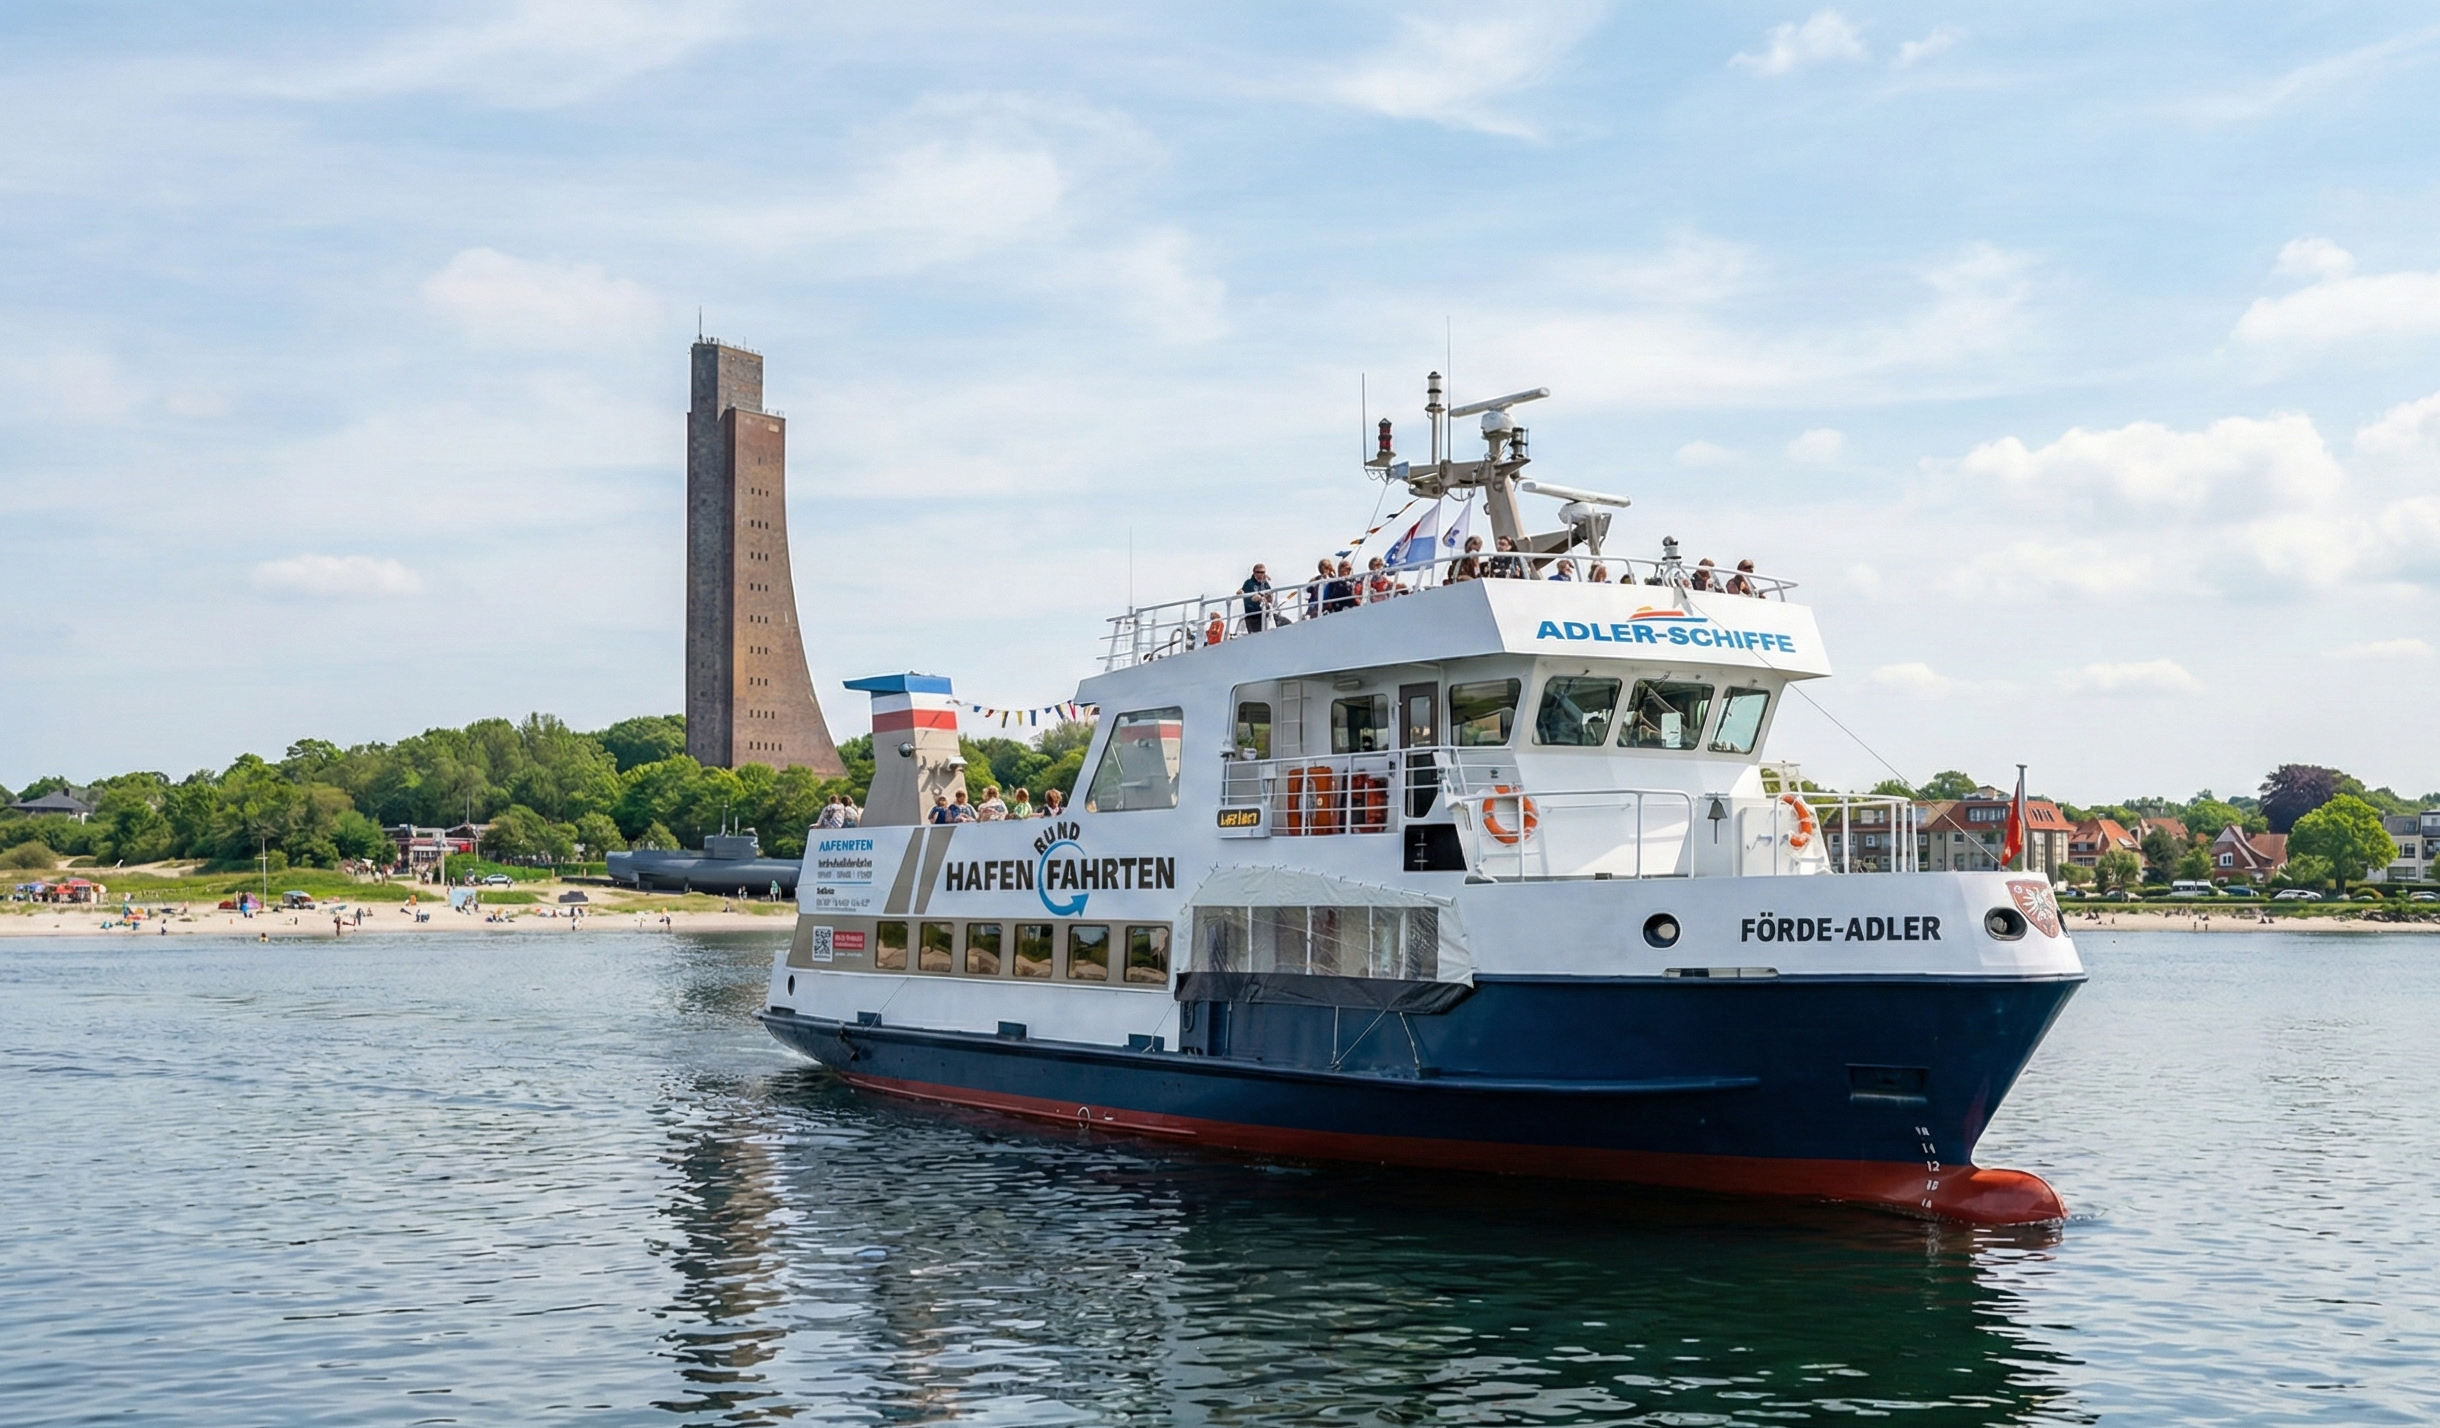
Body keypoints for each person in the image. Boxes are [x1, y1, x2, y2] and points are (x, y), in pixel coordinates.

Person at [1240, 564, 1274, 633]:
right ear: (1254, 573)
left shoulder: (1265, 584)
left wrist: (1269, 598)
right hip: (1253, 617)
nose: (1260, 574)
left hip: (1265, 614)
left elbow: (1270, 598)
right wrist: (1252, 598)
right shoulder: (1249, 583)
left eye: (1262, 572)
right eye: (1258, 572)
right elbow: (1242, 592)